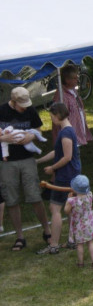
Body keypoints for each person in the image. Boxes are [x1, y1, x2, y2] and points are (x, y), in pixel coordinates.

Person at [0, 87, 52, 251]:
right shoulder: (1, 110)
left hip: (27, 159)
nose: (24, 107)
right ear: (13, 101)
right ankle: (20, 237)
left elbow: (38, 128)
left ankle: (47, 231)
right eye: (21, 105)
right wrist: (4, 138)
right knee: (12, 199)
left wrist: (31, 136)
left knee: (34, 196)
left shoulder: (30, 110)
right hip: (7, 162)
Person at [36, 101, 82, 255]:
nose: (51, 119)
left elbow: (67, 157)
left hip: (66, 176)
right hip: (69, 174)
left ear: (58, 115)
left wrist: (52, 168)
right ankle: (72, 240)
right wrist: (40, 160)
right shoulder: (66, 131)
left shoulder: (66, 133)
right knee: (70, 209)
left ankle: (54, 244)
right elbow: (58, 152)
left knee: (55, 208)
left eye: (51, 116)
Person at [64, 174, 93, 268]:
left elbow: (66, 211)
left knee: (80, 244)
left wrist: (68, 200)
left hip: (79, 226)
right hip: (89, 224)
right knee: (90, 243)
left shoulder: (72, 200)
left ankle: (80, 263)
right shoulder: (90, 195)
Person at [52, 64, 93, 146]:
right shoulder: (61, 95)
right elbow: (60, 117)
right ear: (67, 80)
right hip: (69, 133)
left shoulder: (73, 90)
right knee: (72, 155)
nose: (77, 80)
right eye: (74, 78)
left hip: (77, 128)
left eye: (77, 77)